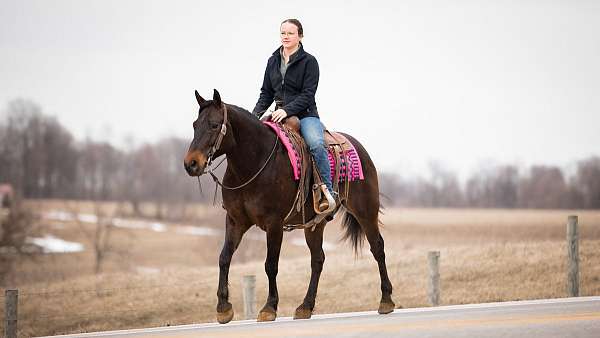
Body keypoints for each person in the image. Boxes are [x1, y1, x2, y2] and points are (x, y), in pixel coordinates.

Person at [253, 18, 336, 212]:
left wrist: (287, 110)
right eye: (283, 33)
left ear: (300, 36)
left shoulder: (309, 62)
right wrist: (254, 116)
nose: (286, 36)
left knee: (316, 144)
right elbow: (266, 93)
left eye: (290, 33)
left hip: (306, 114)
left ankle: (327, 192)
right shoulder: (273, 61)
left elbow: (308, 95)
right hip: (277, 114)